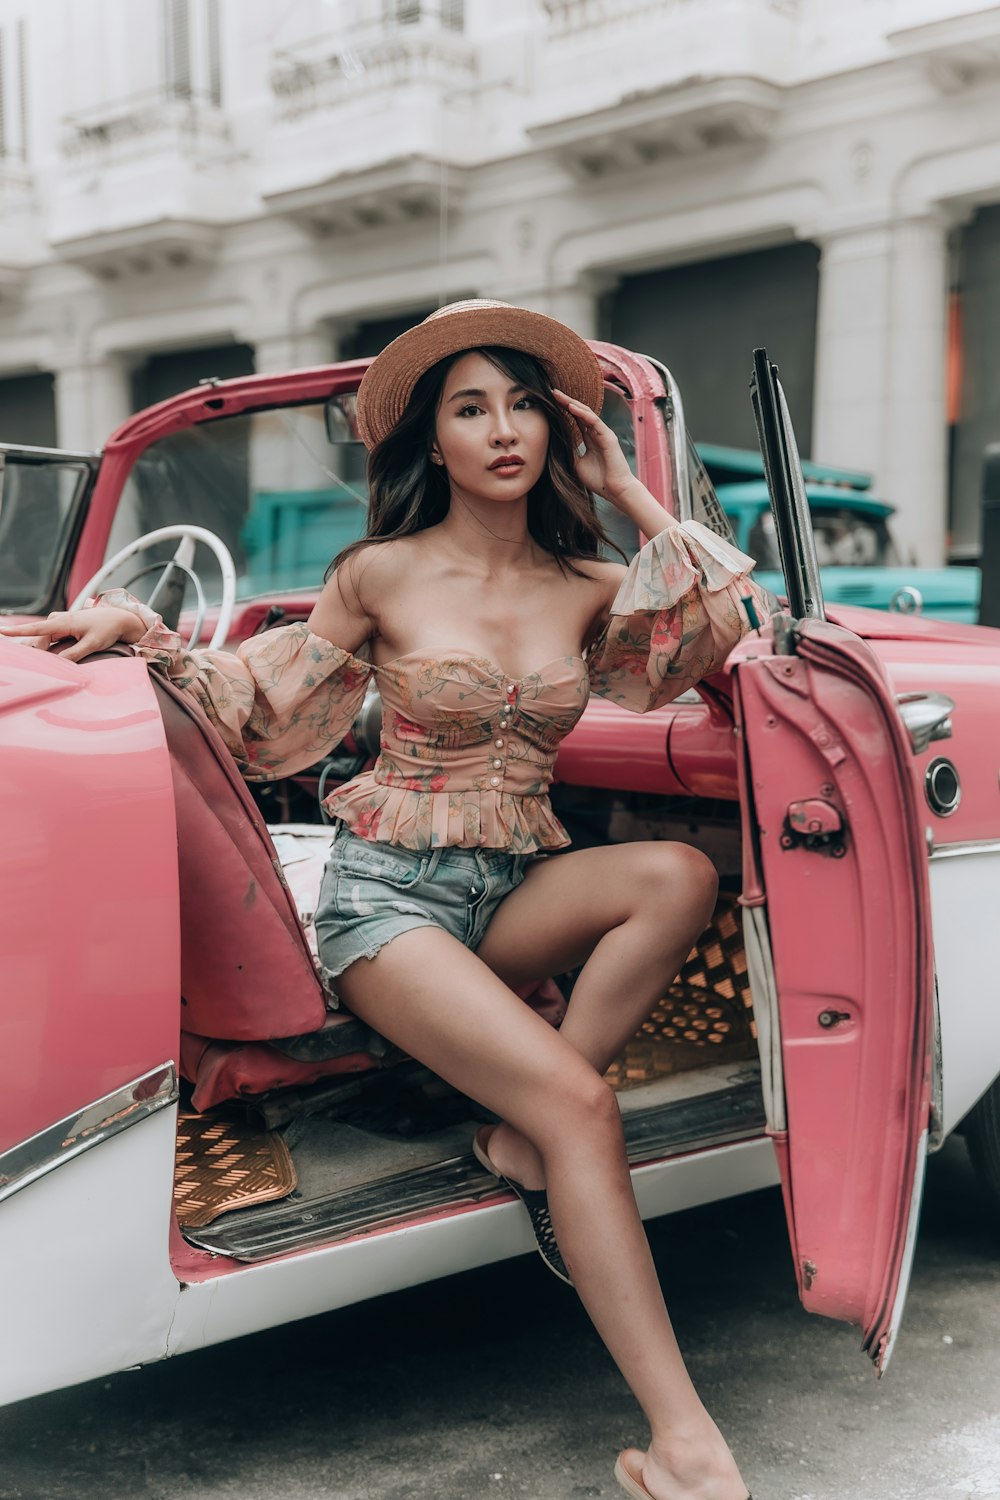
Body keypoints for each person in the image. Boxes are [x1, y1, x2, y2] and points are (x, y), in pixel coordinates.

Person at [5, 300, 769, 1500]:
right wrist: (139, 635)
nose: (503, 430)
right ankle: (686, 1444)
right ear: (434, 443)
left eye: (524, 406)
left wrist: (628, 486)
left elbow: (724, 638)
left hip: (510, 884)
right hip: (387, 908)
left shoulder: (589, 579)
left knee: (678, 872)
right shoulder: (379, 573)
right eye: (471, 409)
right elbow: (251, 700)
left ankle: (523, 1128)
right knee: (584, 1107)